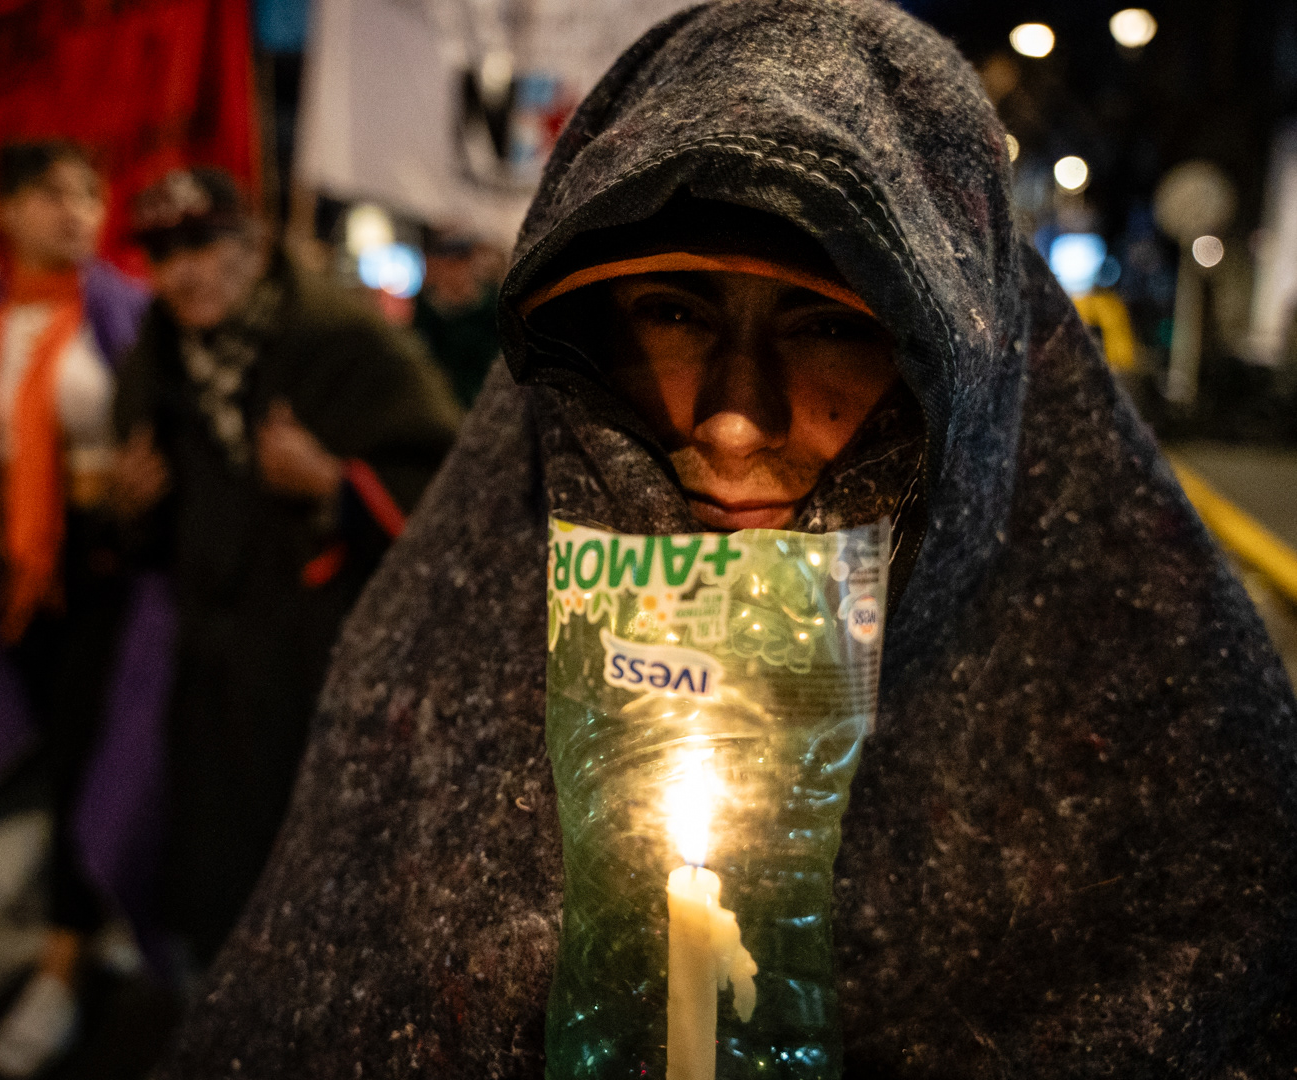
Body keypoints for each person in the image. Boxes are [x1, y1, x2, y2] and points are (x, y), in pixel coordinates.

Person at [159, 1, 1297, 1076]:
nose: (736, 417)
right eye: (670, 313)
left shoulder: (1160, 747)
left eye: (828, 327)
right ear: (578, 348)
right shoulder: (445, 658)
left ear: (957, 368)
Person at [113, 167, 460, 969]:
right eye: (164, 255)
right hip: (213, 673)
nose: (185, 272)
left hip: (323, 667)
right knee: (223, 897)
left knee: (328, 908)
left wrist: (337, 487)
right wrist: (130, 511)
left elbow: (447, 497)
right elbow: (156, 543)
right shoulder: (156, 360)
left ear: (253, 241)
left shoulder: (342, 339)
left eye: (202, 243)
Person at [0, 140, 173, 1078]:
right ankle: (82, 909)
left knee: (86, 756)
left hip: (102, 573)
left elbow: (160, 431)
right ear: (6, 211)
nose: (74, 212)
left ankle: (64, 958)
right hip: (5, 572)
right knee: (33, 749)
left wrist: (136, 485)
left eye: (88, 193)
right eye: (50, 195)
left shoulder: (124, 313)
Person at [412, 228, 501, 407]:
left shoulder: (492, 306)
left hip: (487, 401)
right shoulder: (427, 309)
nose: (455, 270)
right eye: (449, 263)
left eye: (461, 262)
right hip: (443, 403)